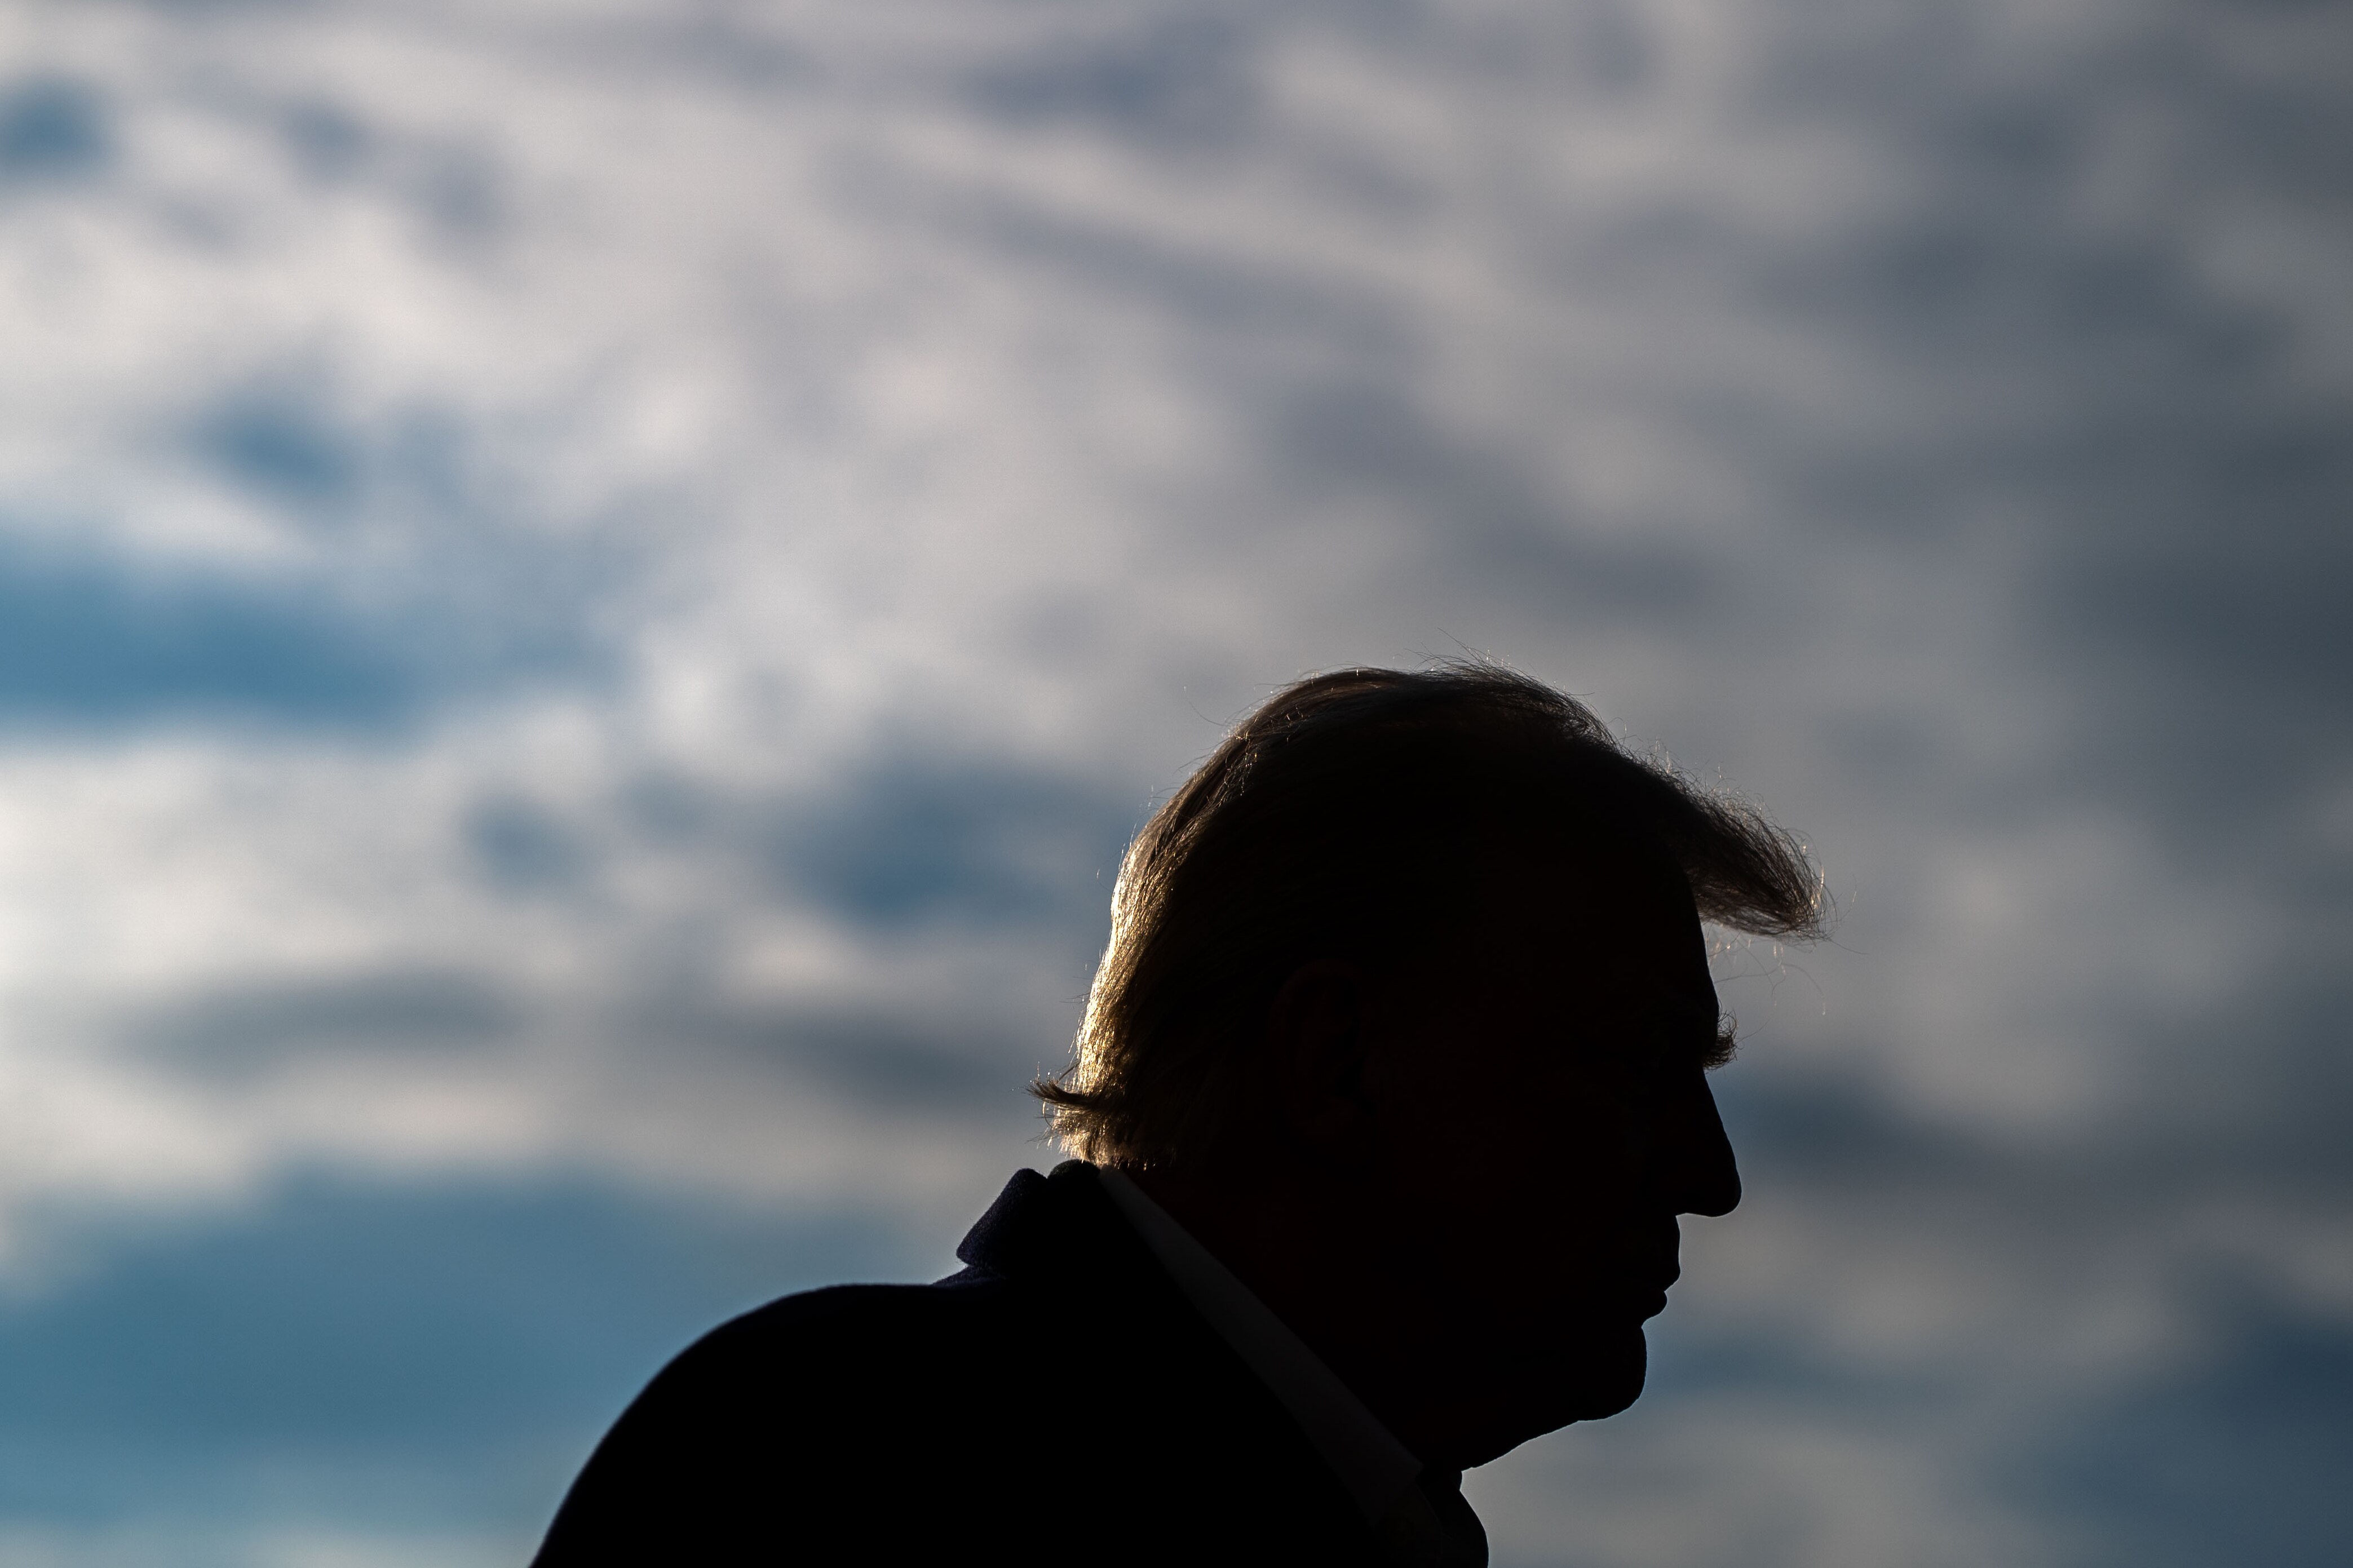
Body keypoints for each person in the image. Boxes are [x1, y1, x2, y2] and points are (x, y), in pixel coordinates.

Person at [533, 664, 1825, 1566]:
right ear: (1337, 1058)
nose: (1706, 1175)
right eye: (1633, 1063)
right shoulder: (831, 1469)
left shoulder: (859, 1438)